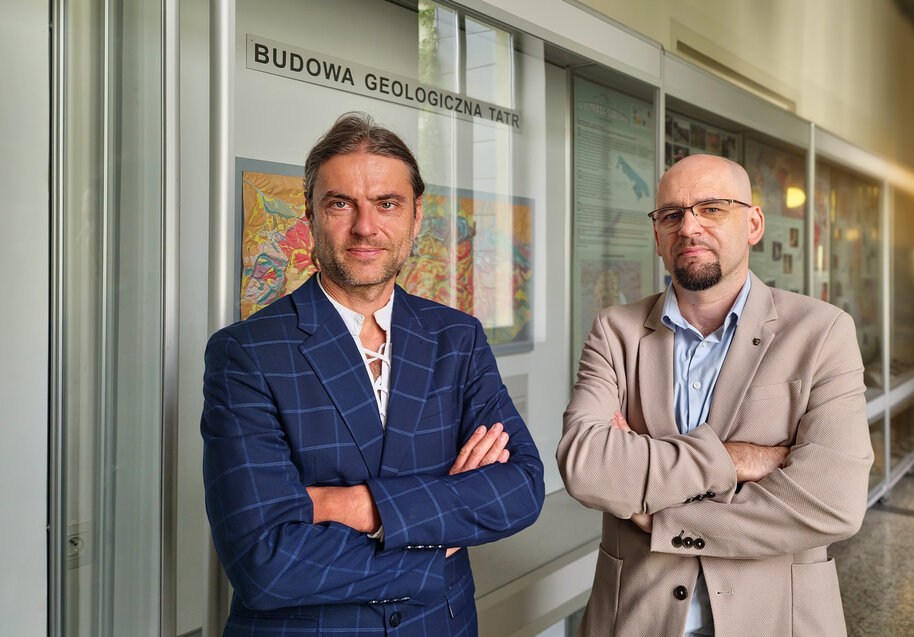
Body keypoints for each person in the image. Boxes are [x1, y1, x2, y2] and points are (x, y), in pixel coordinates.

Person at [202, 112, 544, 636]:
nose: (366, 227)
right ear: (311, 215)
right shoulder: (246, 354)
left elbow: (519, 487)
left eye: (387, 204)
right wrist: (437, 535)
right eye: (341, 204)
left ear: (415, 215)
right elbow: (264, 564)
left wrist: (355, 505)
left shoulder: (457, 337)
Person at [558, 154, 872, 636]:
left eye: (712, 208)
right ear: (658, 236)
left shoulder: (822, 332)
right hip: (637, 619)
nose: (689, 227)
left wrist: (661, 518)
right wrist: (734, 459)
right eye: (672, 214)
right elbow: (586, 467)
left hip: (776, 620)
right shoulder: (615, 331)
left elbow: (833, 503)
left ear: (753, 223)